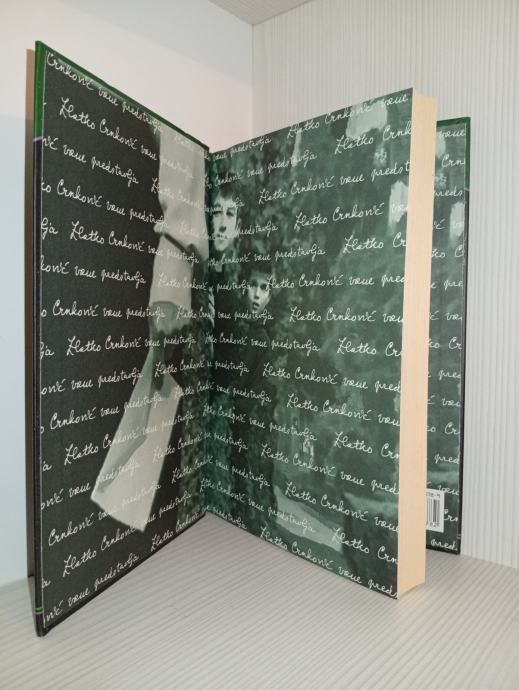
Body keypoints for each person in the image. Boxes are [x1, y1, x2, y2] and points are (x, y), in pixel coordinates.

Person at [91, 123, 209, 532]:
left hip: (151, 263)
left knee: (150, 401)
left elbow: (184, 170)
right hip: (117, 252)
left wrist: (172, 281)